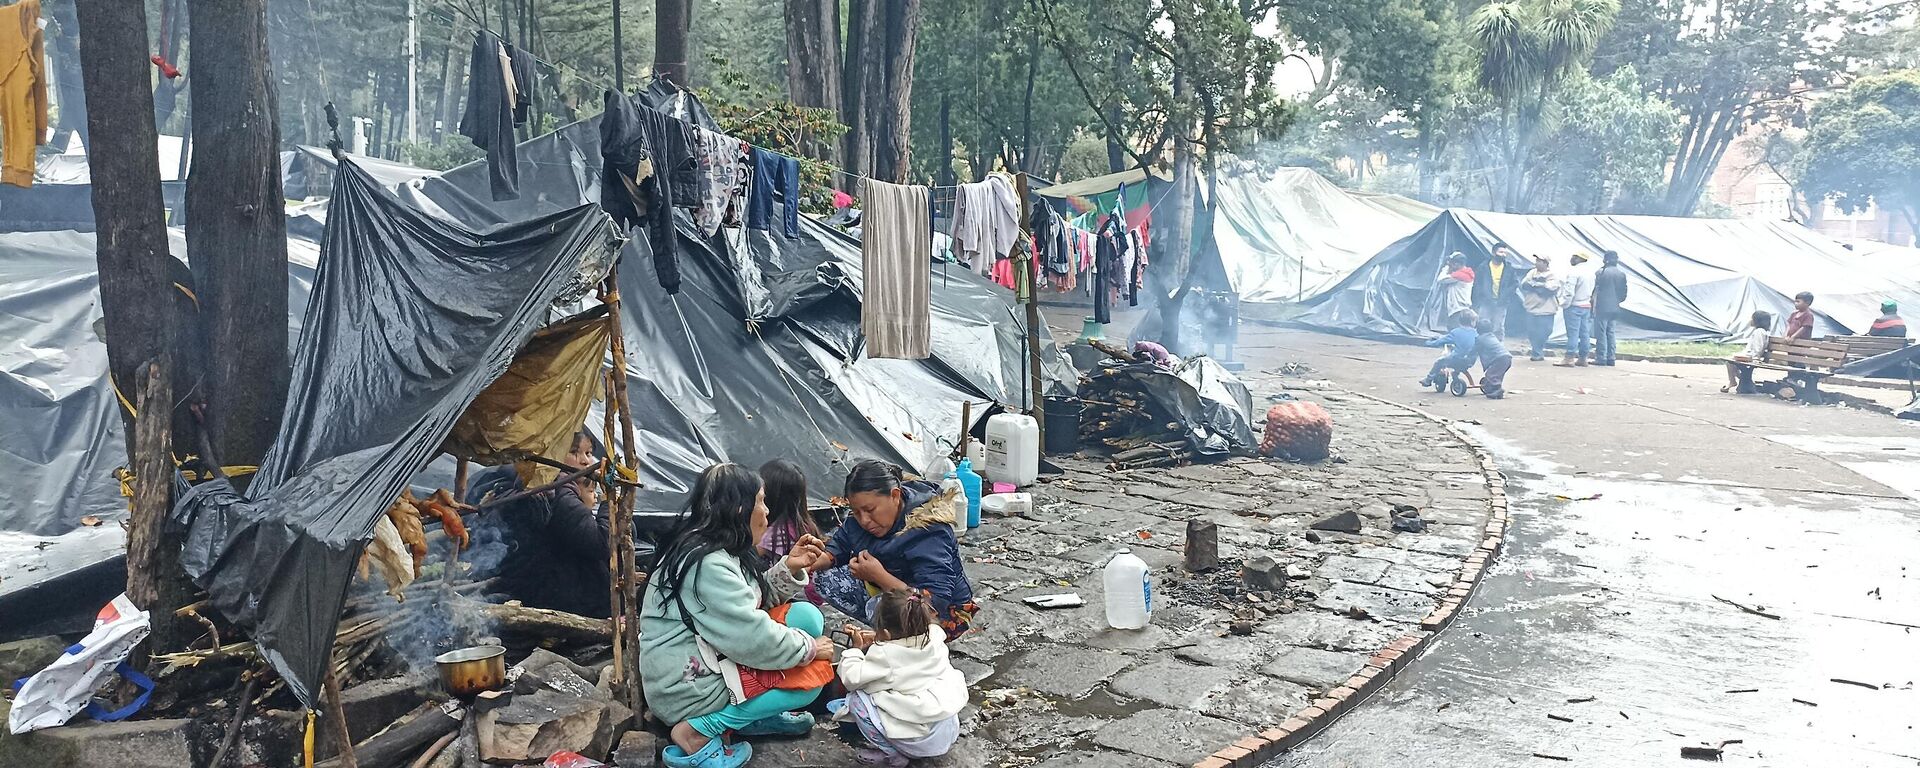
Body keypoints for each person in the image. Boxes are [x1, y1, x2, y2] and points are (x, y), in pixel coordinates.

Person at [639, 464, 838, 768]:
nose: (767, 511)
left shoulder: (715, 546)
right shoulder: (708, 564)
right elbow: (751, 636)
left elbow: (748, 603)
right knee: (811, 678)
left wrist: (790, 567)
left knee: (807, 617)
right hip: (685, 685)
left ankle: (748, 716)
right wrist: (810, 650)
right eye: (761, 501)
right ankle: (698, 730)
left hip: (706, 655)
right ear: (740, 507)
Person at [803, 460, 979, 639]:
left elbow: (935, 601)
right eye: (856, 512)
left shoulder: (928, 529)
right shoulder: (861, 520)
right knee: (824, 577)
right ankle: (891, 634)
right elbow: (839, 545)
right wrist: (810, 562)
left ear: (895, 496)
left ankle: (905, 641)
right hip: (892, 588)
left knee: (881, 607)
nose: (863, 520)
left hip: (943, 615)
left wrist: (878, 576)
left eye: (870, 510)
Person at [465, 431, 609, 618]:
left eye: (588, 453)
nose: (585, 461)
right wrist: (609, 504)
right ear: (554, 453)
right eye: (574, 452)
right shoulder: (556, 490)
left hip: (536, 592)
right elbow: (602, 542)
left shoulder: (529, 482)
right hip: (561, 600)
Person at [827, 590, 968, 767]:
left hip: (919, 743)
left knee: (857, 700)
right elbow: (904, 652)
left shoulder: (886, 655)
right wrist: (882, 639)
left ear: (885, 634)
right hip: (945, 731)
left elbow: (852, 678)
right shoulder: (935, 638)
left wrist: (855, 650)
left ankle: (893, 755)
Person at [757, 459, 821, 561]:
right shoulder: (803, 523)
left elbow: (752, 552)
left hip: (783, 575)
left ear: (770, 495)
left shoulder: (775, 533)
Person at [1419, 310, 1479, 389]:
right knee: (1459, 357)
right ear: (1472, 322)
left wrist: (1429, 343)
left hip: (1457, 360)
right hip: (1470, 361)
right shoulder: (1476, 333)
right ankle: (1455, 374)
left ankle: (1428, 379)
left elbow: (1441, 341)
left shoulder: (1455, 332)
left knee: (1439, 362)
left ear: (1460, 321)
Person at [1518, 255, 1561, 361]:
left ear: (1546, 263)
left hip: (1547, 309)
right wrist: (1538, 285)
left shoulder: (1552, 275)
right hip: (1531, 307)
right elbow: (1524, 284)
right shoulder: (1531, 273)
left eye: (1540, 261)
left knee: (1545, 330)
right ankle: (1536, 351)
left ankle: (1538, 349)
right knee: (1532, 331)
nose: (1537, 263)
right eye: (1536, 261)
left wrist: (1535, 285)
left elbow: (1550, 289)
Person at [1591, 250, 1630, 366]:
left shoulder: (1600, 272)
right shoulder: (1621, 274)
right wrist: (1616, 301)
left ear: (1606, 260)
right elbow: (1624, 293)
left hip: (1602, 307)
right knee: (1611, 332)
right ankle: (1611, 357)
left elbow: (1595, 291)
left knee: (1601, 333)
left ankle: (1601, 357)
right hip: (1615, 307)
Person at [1557, 253, 1596, 367]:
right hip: (1586, 306)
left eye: (1574, 256)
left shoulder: (1574, 272)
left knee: (1572, 334)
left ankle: (1569, 358)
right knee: (1584, 333)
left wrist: (1564, 304)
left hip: (1574, 306)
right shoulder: (1591, 273)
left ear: (1580, 259)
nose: (1571, 258)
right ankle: (1583, 358)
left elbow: (1569, 292)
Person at [1723, 310, 1774, 394]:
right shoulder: (1759, 331)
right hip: (1750, 355)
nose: (1750, 320)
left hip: (1751, 356)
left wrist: (1755, 358)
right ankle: (1746, 382)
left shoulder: (1759, 332)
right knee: (1731, 361)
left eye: (1752, 318)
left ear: (1757, 321)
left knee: (1730, 361)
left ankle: (1734, 381)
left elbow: (1758, 347)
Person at [1483, 242, 1520, 338]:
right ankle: (1482, 346)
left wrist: (1505, 296)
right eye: (1501, 252)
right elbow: (1479, 284)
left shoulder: (1509, 269)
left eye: (1505, 253)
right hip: (1486, 301)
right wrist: (1483, 296)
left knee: (1498, 327)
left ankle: (1498, 348)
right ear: (1493, 252)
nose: (1503, 255)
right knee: (1483, 324)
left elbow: (1514, 284)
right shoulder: (1484, 267)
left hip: (1502, 302)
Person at [1472, 318, 1514, 399]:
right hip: (1507, 357)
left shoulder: (1480, 339)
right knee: (1497, 374)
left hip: (1500, 359)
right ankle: (1496, 391)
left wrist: (1467, 356)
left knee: (1491, 374)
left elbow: (1474, 350)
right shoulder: (1492, 336)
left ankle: (1498, 389)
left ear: (1478, 329)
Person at [1436, 253, 1476, 329]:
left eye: (1452, 263)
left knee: (1454, 329)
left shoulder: (1460, 275)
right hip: (1462, 307)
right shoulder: (1466, 272)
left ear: (1457, 264)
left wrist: (1446, 267)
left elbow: (1440, 279)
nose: (1451, 265)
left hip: (1458, 308)